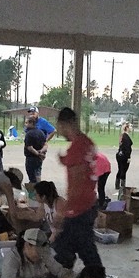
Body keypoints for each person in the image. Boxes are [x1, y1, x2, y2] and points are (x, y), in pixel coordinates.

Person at [53, 106, 102, 269]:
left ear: (64, 124)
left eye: (59, 128)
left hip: (79, 208)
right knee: (71, 247)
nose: (59, 133)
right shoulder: (86, 143)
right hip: (89, 203)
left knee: (77, 249)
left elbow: (77, 182)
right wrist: (66, 160)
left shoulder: (76, 148)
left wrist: (65, 209)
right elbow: (83, 165)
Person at [24, 116, 46, 184]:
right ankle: (40, 190)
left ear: (31, 123)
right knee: (38, 175)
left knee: (32, 178)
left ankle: (33, 193)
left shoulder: (29, 134)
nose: (25, 124)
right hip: (39, 159)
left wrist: (37, 154)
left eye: (26, 122)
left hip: (31, 158)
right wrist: (41, 152)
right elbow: (45, 145)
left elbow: (30, 147)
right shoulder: (41, 132)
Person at [115, 122, 133, 196]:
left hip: (119, 155)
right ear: (127, 128)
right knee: (124, 170)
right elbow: (127, 148)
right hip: (124, 156)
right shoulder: (126, 137)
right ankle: (122, 186)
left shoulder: (123, 136)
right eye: (131, 126)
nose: (132, 128)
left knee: (120, 169)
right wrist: (128, 157)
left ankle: (117, 184)